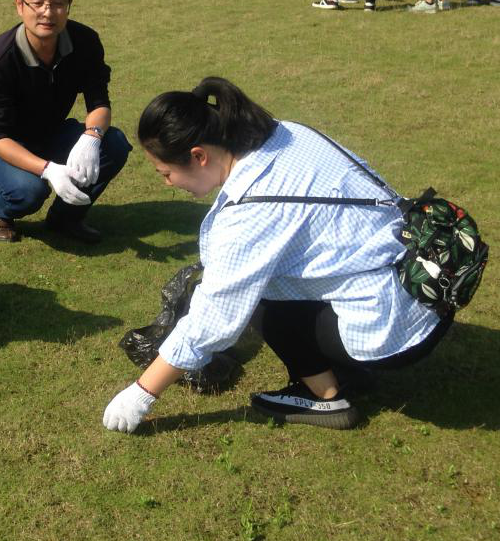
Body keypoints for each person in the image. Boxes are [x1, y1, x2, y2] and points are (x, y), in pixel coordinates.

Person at [102, 77, 454, 434]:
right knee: (266, 280)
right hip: (429, 283)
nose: (167, 183)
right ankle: (344, 369)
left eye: (166, 173)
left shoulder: (249, 211)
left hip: (394, 326)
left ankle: (326, 396)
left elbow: (213, 318)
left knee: (258, 299)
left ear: (199, 156)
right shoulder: (285, 134)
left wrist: (141, 393)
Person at [0, 0, 132, 244]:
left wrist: (92, 137)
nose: (47, 12)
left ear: (69, 5)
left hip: (50, 133)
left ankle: (65, 217)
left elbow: (99, 103)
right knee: (30, 190)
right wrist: (48, 169)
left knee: (113, 144)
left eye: (58, 3)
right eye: (38, 2)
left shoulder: (85, 42)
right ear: (20, 5)